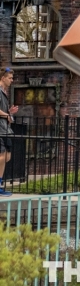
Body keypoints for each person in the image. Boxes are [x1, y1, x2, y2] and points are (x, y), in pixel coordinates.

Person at [0, 67, 18, 196]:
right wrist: (7, 115)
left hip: (5, 128)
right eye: (10, 78)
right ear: (3, 78)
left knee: (7, 157)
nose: (12, 80)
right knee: (1, 156)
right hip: (0, 129)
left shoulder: (4, 92)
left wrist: (9, 113)